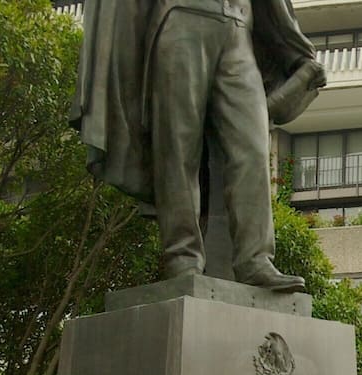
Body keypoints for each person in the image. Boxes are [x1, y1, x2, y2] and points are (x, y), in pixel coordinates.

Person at [71, 0, 324, 291]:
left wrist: (295, 52)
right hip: (182, 18)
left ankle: (255, 260)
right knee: (178, 149)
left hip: (238, 28)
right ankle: (183, 257)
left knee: (252, 148)